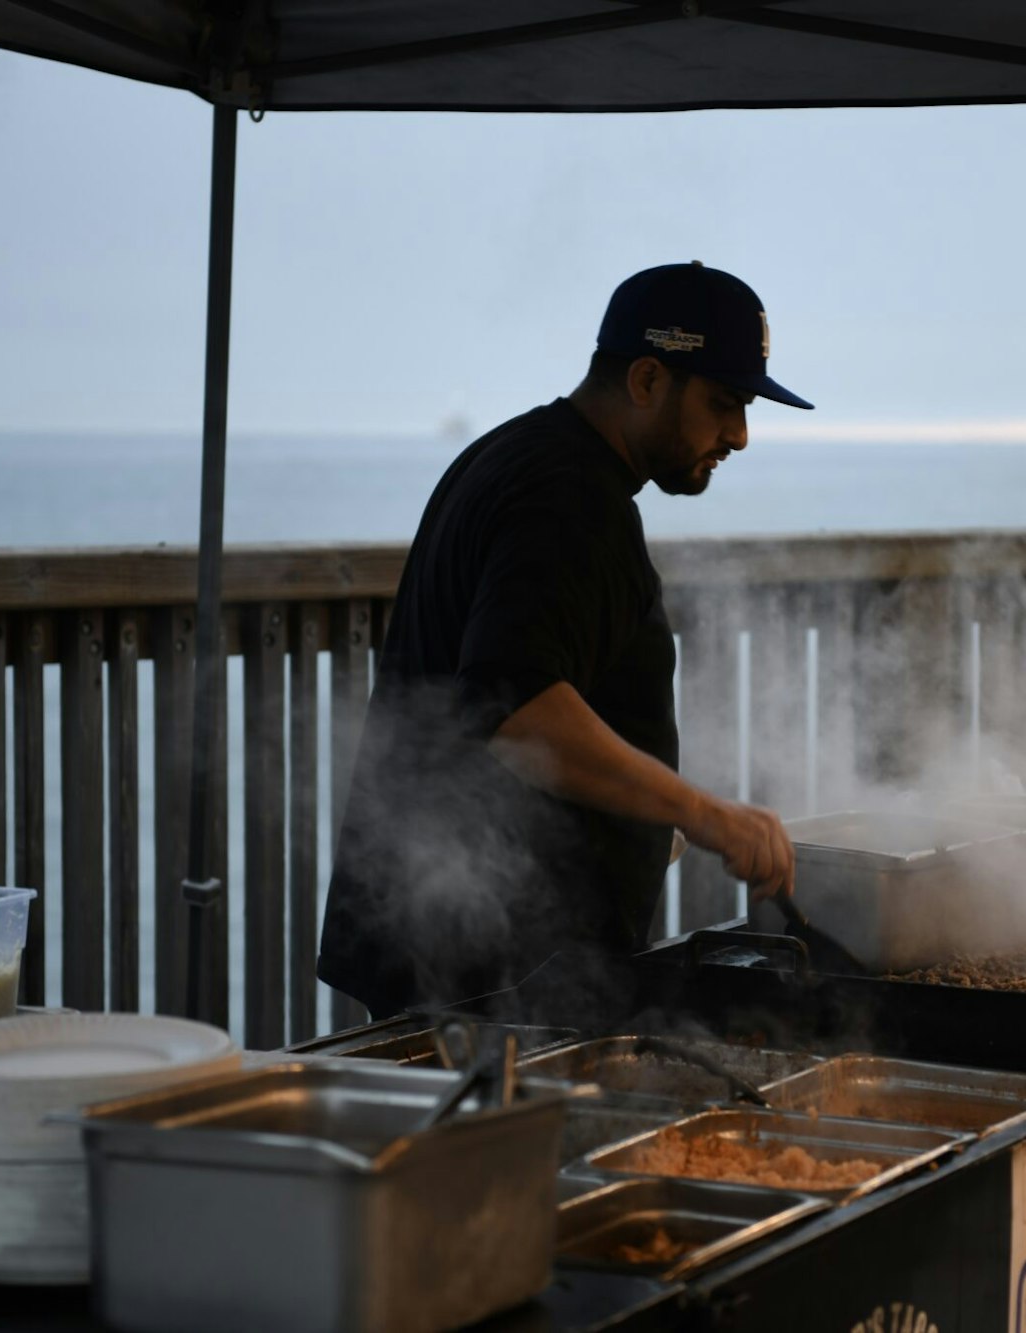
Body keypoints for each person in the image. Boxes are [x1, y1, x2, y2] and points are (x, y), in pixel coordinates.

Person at [317, 262, 814, 1019]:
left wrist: (639, 814)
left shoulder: (515, 454)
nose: (740, 435)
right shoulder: (570, 498)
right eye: (724, 402)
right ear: (648, 379)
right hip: (497, 970)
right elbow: (519, 712)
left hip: (447, 942)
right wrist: (701, 813)